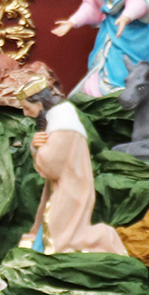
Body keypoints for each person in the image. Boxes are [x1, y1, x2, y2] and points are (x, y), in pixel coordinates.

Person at [18, 79, 127, 256]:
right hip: (67, 186)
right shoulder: (59, 119)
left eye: (27, 108)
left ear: (39, 104)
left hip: (70, 189)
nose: (26, 113)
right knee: (53, 231)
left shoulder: (63, 124)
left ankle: (105, 238)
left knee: (63, 237)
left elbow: (51, 167)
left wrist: (37, 148)